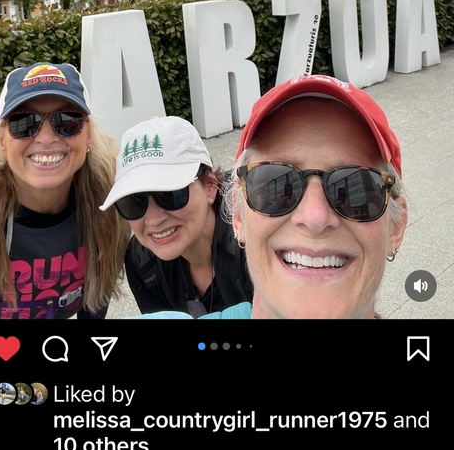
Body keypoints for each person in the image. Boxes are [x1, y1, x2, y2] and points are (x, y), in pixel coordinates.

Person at [133, 76, 407, 320]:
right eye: (276, 185)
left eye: (355, 187)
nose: (314, 217)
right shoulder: (140, 261)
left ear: (397, 227)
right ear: (238, 217)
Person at [0, 62, 130, 319]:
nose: (46, 138)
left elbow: (95, 301)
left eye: (67, 120)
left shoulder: (109, 204)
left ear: (88, 134)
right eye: (23, 122)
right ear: (1, 140)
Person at [100, 116, 252, 315]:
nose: (154, 219)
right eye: (133, 202)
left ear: (210, 186)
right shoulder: (142, 262)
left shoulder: (254, 241)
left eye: (170, 195)